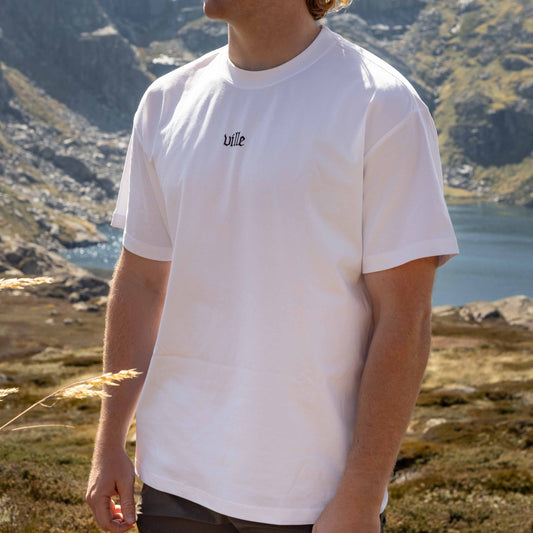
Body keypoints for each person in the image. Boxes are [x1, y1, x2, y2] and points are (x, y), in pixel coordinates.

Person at [86, 0, 459, 532]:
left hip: (310, 499)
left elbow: (405, 318)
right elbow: (141, 282)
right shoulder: (165, 101)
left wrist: (361, 495)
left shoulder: (383, 104)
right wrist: (109, 443)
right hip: (172, 485)